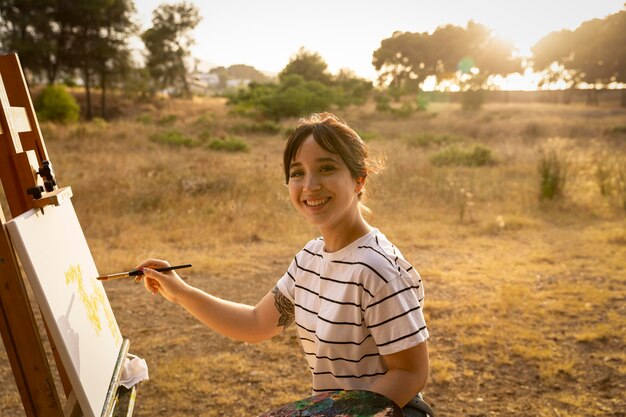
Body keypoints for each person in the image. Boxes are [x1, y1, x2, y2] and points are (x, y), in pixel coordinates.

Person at [135, 112, 430, 414]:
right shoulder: (310, 258)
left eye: (326, 168)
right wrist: (181, 292)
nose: (310, 185)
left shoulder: (378, 269)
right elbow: (255, 323)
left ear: (359, 179)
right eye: (297, 172)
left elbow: (410, 373)